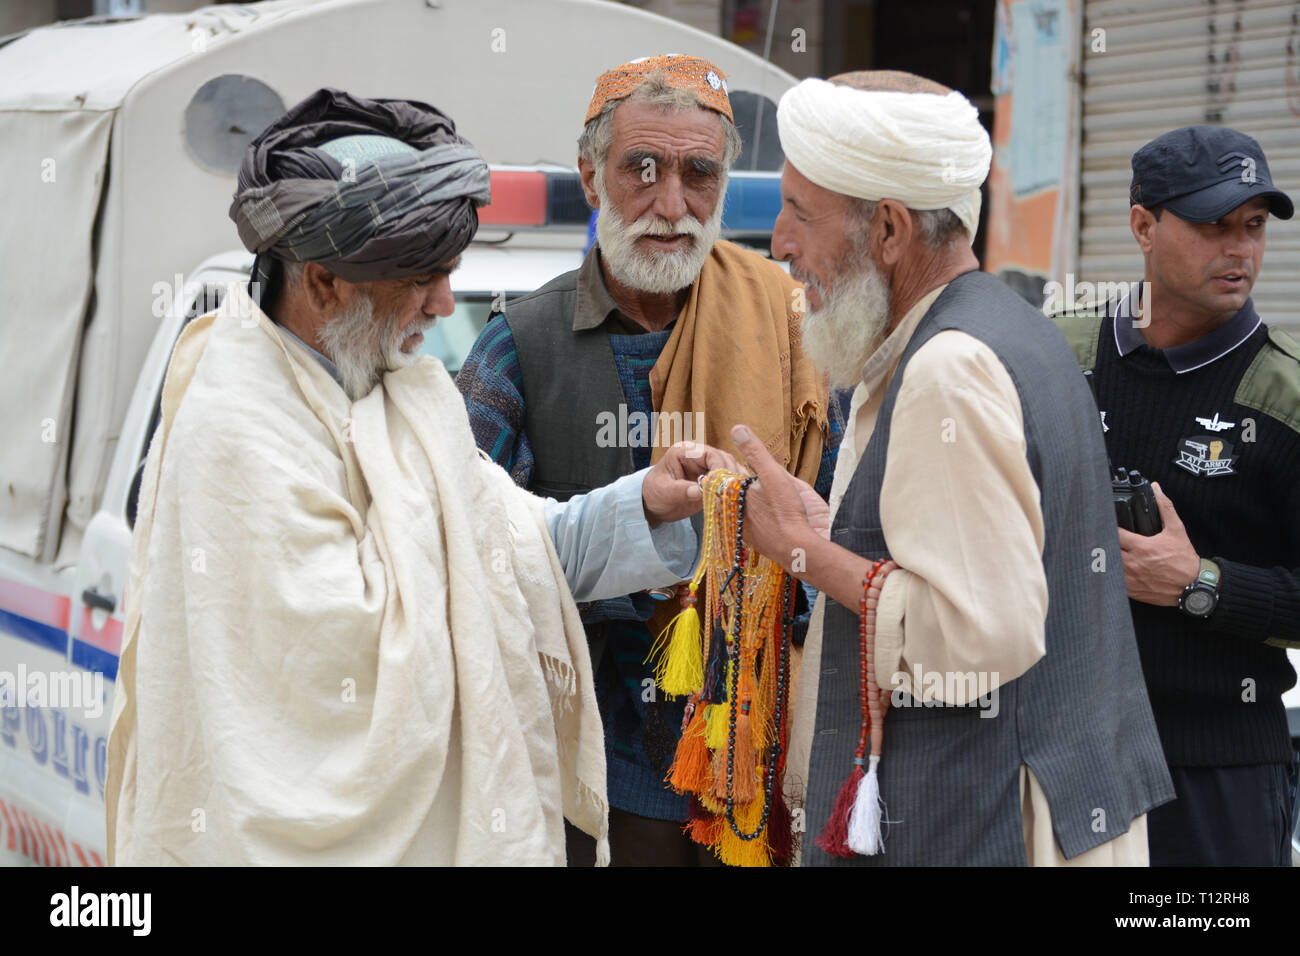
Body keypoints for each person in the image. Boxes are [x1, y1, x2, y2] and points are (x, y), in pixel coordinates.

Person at [104, 88, 737, 866]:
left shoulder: (399, 389)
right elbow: (342, 658)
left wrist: (647, 502)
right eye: (421, 277)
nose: (442, 304)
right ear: (324, 285)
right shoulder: (236, 427)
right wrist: (478, 569)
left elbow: (516, 544)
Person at [731, 70, 1174, 866]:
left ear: (890, 231)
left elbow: (981, 633)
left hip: (999, 824)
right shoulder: (1008, 325)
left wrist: (805, 553)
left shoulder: (949, 367)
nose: (780, 245)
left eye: (800, 213)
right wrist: (837, 531)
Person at [455, 54, 840, 866]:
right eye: (642, 170)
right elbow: (462, 556)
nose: (672, 206)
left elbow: (842, 533)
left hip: (759, 760)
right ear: (592, 180)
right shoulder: (520, 344)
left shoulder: (795, 328)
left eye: (699, 174)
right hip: (592, 771)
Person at [1054, 125, 1300, 866]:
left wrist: (1200, 585)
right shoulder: (1058, 358)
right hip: (1063, 755)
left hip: (1218, 776)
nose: (1240, 249)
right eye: (1212, 225)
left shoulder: (1284, 397)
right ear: (1142, 226)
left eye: (1253, 227)